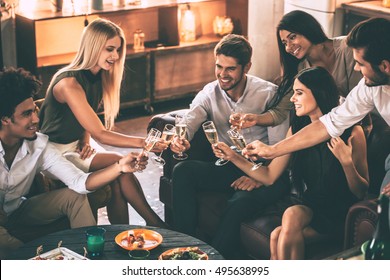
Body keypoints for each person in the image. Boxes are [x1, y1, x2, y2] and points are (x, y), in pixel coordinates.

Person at [215, 66, 369, 259]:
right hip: (312, 206)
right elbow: (269, 176)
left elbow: (361, 191)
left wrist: (347, 162)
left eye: (299, 93)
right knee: (284, 224)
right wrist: (232, 156)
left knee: (277, 235)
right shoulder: (297, 129)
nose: (292, 98)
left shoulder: (353, 132)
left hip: (341, 214)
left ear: (319, 93)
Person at [243, 18, 390, 212]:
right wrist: (272, 151)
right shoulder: (369, 87)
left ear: (385, 66)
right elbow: (326, 125)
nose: (356, 68)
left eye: (360, 64)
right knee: (384, 211)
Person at [0, 67, 148, 259]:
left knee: (74, 196)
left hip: (19, 210)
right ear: (5, 119)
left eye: (35, 111)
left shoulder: (38, 146)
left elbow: (79, 182)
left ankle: (87, 258)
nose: (36, 119)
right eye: (26, 114)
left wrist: (120, 167)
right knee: (22, 252)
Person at [170, 34, 290, 259]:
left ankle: (213, 261)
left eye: (230, 69)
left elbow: (280, 147)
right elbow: (190, 118)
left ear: (247, 67)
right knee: (183, 171)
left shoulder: (268, 95)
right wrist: (181, 138)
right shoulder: (210, 92)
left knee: (240, 202)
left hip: (268, 169)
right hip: (231, 163)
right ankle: (184, 250)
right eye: (219, 66)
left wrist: (258, 176)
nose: (222, 75)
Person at [38, 18, 167, 227]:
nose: (115, 56)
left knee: (119, 174)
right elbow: (101, 133)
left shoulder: (97, 76)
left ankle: (126, 233)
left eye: (117, 50)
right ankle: (155, 225)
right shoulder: (69, 83)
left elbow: (86, 122)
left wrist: (85, 138)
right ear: (93, 46)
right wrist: (144, 143)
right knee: (119, 163)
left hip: (75, 145)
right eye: (110, 49)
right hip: (52, 152)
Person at [231, 10, 362, 128]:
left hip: (362, 121)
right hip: (333, 124)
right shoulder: (301, 67)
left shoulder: (347, 49)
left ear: (308, 30)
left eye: (292, 37)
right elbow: (280, 111)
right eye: (284, 43)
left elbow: (360, 97)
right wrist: (255, 119)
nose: (288, 48)